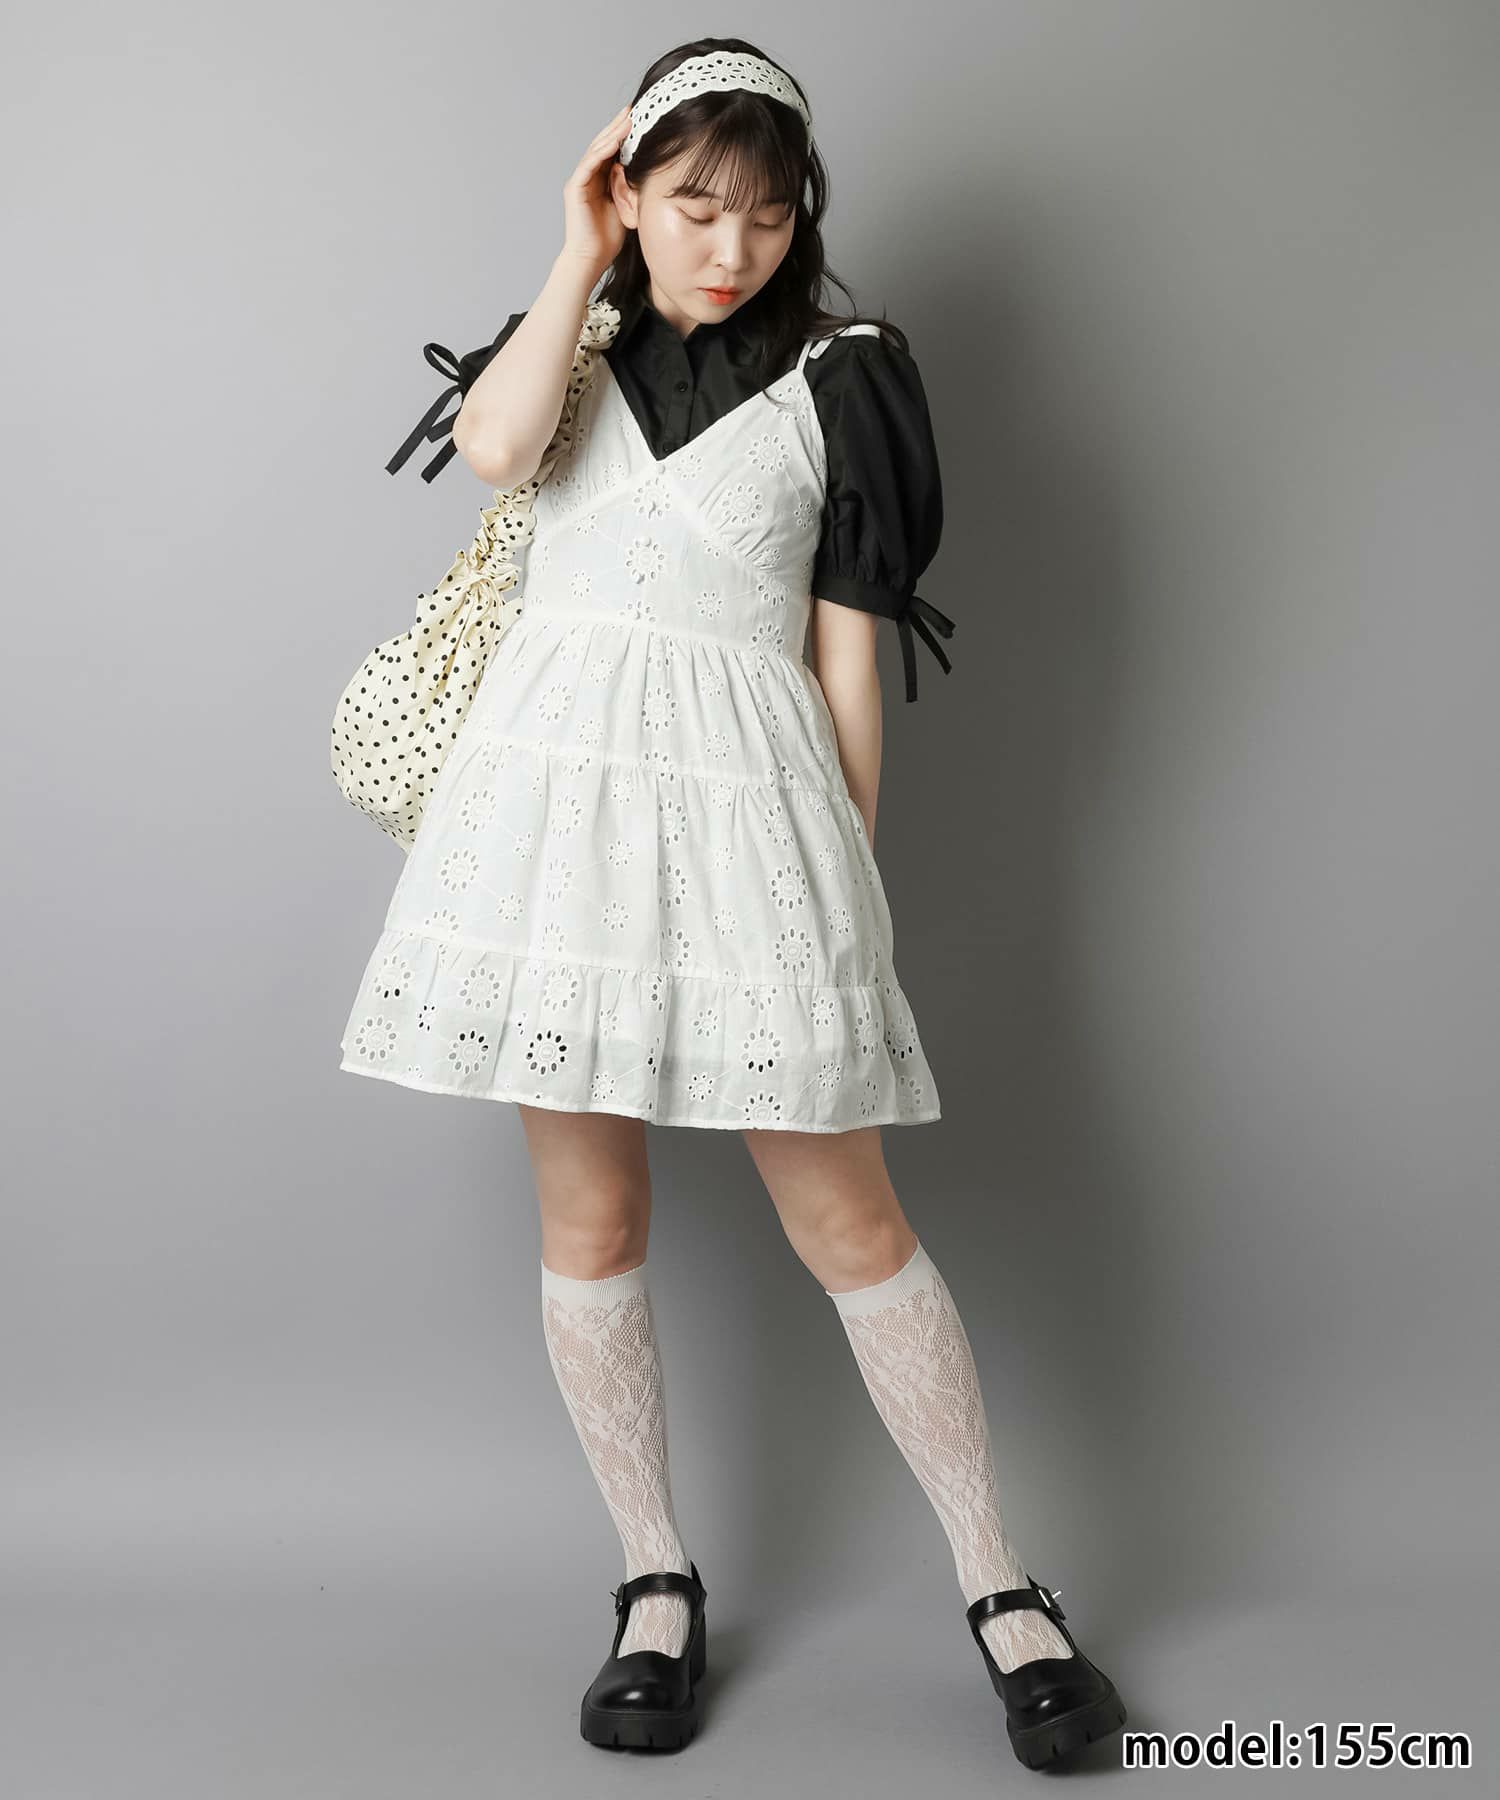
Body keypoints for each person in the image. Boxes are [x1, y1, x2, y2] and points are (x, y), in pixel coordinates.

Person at [340, 36, 1125, 1770]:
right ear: (628, 190)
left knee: (850, 1220)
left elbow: (848, 655)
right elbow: (495, 451)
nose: (731, 246)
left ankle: (1001, 1585)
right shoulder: (572, 343)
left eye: (767, 214)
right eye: (693, 204)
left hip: (749, 819)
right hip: (551, 820)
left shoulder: (852, 376)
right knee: (592, 1216)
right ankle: (654, 1580)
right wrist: (575, 256)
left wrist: (849, 874)